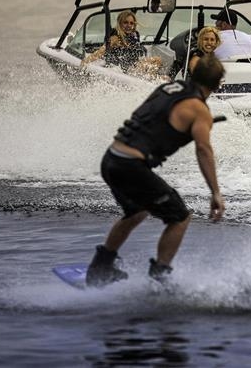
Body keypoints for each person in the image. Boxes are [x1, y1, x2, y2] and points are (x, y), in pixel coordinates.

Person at [85, 55, 226, 287]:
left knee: (138, 211)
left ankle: (101, 267)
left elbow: (154, 119)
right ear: (218, 83)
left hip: (111, 159)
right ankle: (159, 278)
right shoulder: (199, 110)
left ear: (194, 73)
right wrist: (216, 192)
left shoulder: (168, 87)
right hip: (130, 166)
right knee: (180, 217)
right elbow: (203, 150)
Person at [81, 10, 166, 77]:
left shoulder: (134, 35)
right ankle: (149, 79)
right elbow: (100, 52)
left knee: (157, 60)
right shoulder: (115, 38)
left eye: (131, 23)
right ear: (120, 23)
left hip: (134, 67)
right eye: (125, 22)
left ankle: (150, 79)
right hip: (122, 70)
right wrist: (85, 62)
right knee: (148, 66)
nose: (129, 25)